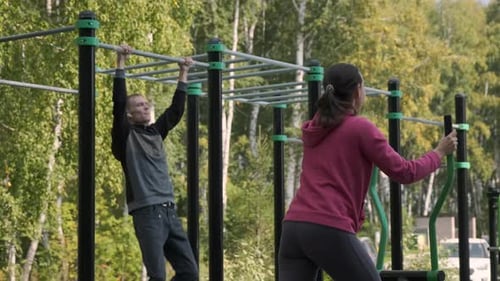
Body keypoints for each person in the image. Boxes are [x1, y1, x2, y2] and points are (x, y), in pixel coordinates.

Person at [278, 63, 457, 281]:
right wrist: (439, 153)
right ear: (357, 92)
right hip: (328, 225)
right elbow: (405, 172)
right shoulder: (360, 128)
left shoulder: (316, 129)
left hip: (293, 228)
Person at [111, 44, 198, 281]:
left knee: (190, 273)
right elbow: (118, 103)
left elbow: (175, 111)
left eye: (146, 103)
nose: (146, 106)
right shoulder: (126, 136)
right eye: (139, 105)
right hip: (147, 213)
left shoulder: (156, 132)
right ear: (129, 115)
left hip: (170, 210)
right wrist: (121, 63)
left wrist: (183, 72)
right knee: (157, 276)